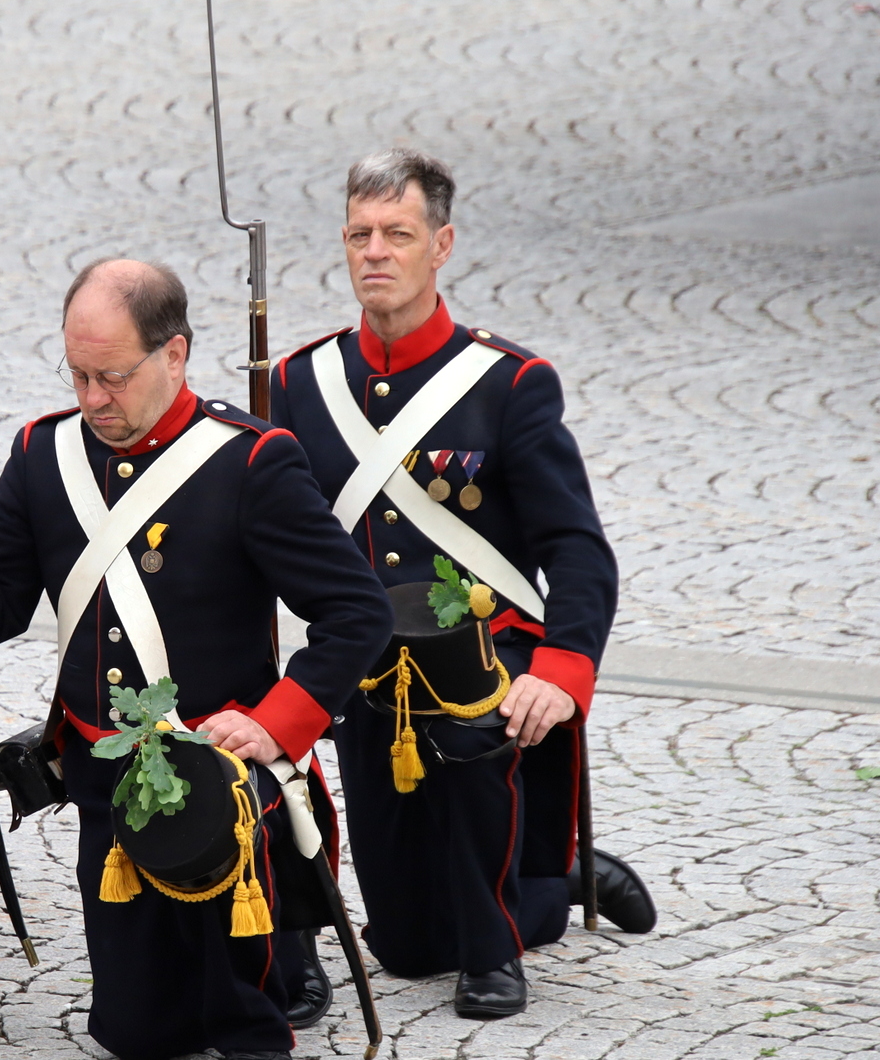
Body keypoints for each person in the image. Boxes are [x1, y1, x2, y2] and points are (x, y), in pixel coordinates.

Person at [0, 258, 392, 1060]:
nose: (94, 398)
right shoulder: (43, 453)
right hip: (106, 780)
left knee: (243, 1025)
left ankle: (284, 943)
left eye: (114, 376)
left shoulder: (250, 461)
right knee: (136, 1033)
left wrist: (275, 725)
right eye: (79, 374)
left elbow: (358, 610)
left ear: (175, 354)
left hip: (218, 781)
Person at [270, 148, 656, 1019]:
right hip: (371, 662)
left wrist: (562, 670)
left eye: (397, 234)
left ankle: (497, 950)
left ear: (440, 245)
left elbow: (578, 548)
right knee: (408, 946)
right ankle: (551, 883)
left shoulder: (510, 384)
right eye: (360, 235)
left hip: (491, 649)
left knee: (475, 726)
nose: (376, 251)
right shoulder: (300, 383)